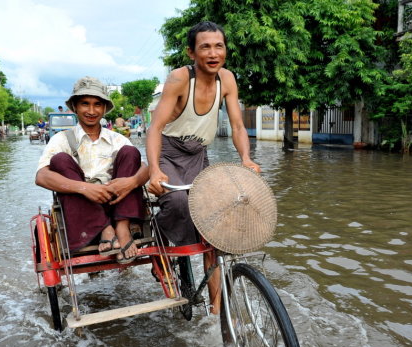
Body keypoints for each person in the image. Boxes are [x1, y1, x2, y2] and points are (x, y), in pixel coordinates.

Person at [146, 21, 260, 314]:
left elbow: (237, 125)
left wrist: (246, 158)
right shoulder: (179, 78)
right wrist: (155, 170)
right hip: (170, 152)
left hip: (198, 154)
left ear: (225, 50)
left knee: (214, 222)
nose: (213, 53)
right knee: (178, 202)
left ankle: (216, 310)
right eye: (205, 47)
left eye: (218, 46)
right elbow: (155, 127)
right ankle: (158, 236)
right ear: (191, 53)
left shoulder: (228, 80)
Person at [36, 76, 149, 262]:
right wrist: (85, 188)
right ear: (75, 107)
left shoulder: (116, 139)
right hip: (82, 205)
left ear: (104, 108)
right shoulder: (61, 139)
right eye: (84, 104)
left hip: (116, 202)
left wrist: (132, 181)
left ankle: (122, 228)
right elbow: (41, 176)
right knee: (60, 160)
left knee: (131, 152)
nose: (91, 110)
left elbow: (144, 168)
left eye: (97, 104)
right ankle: (105, 228)